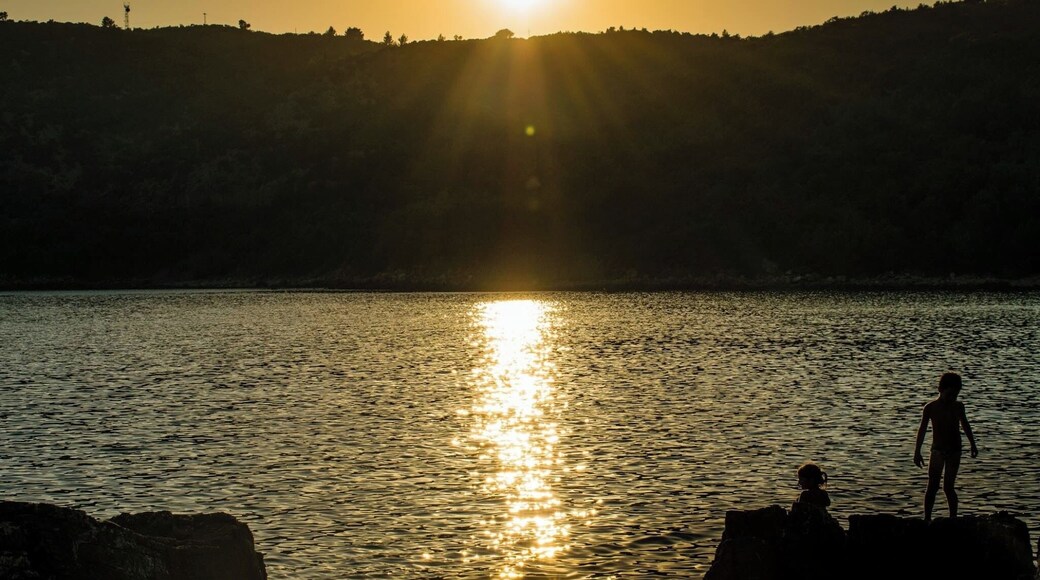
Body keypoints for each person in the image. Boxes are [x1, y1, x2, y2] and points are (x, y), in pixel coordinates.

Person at [913, 372, 978, 522]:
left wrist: (973, 444)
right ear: (941, 390)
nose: (952, 398)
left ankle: (953, 519)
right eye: (950, 394)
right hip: (937, 450)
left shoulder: (958, 407)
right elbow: (922, 430)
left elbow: (965, 425)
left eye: (955, 395)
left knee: (949, 487)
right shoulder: (930, 408)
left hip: (955, 450)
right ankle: (927, 519)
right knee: (932, 486)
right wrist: (917, 452)